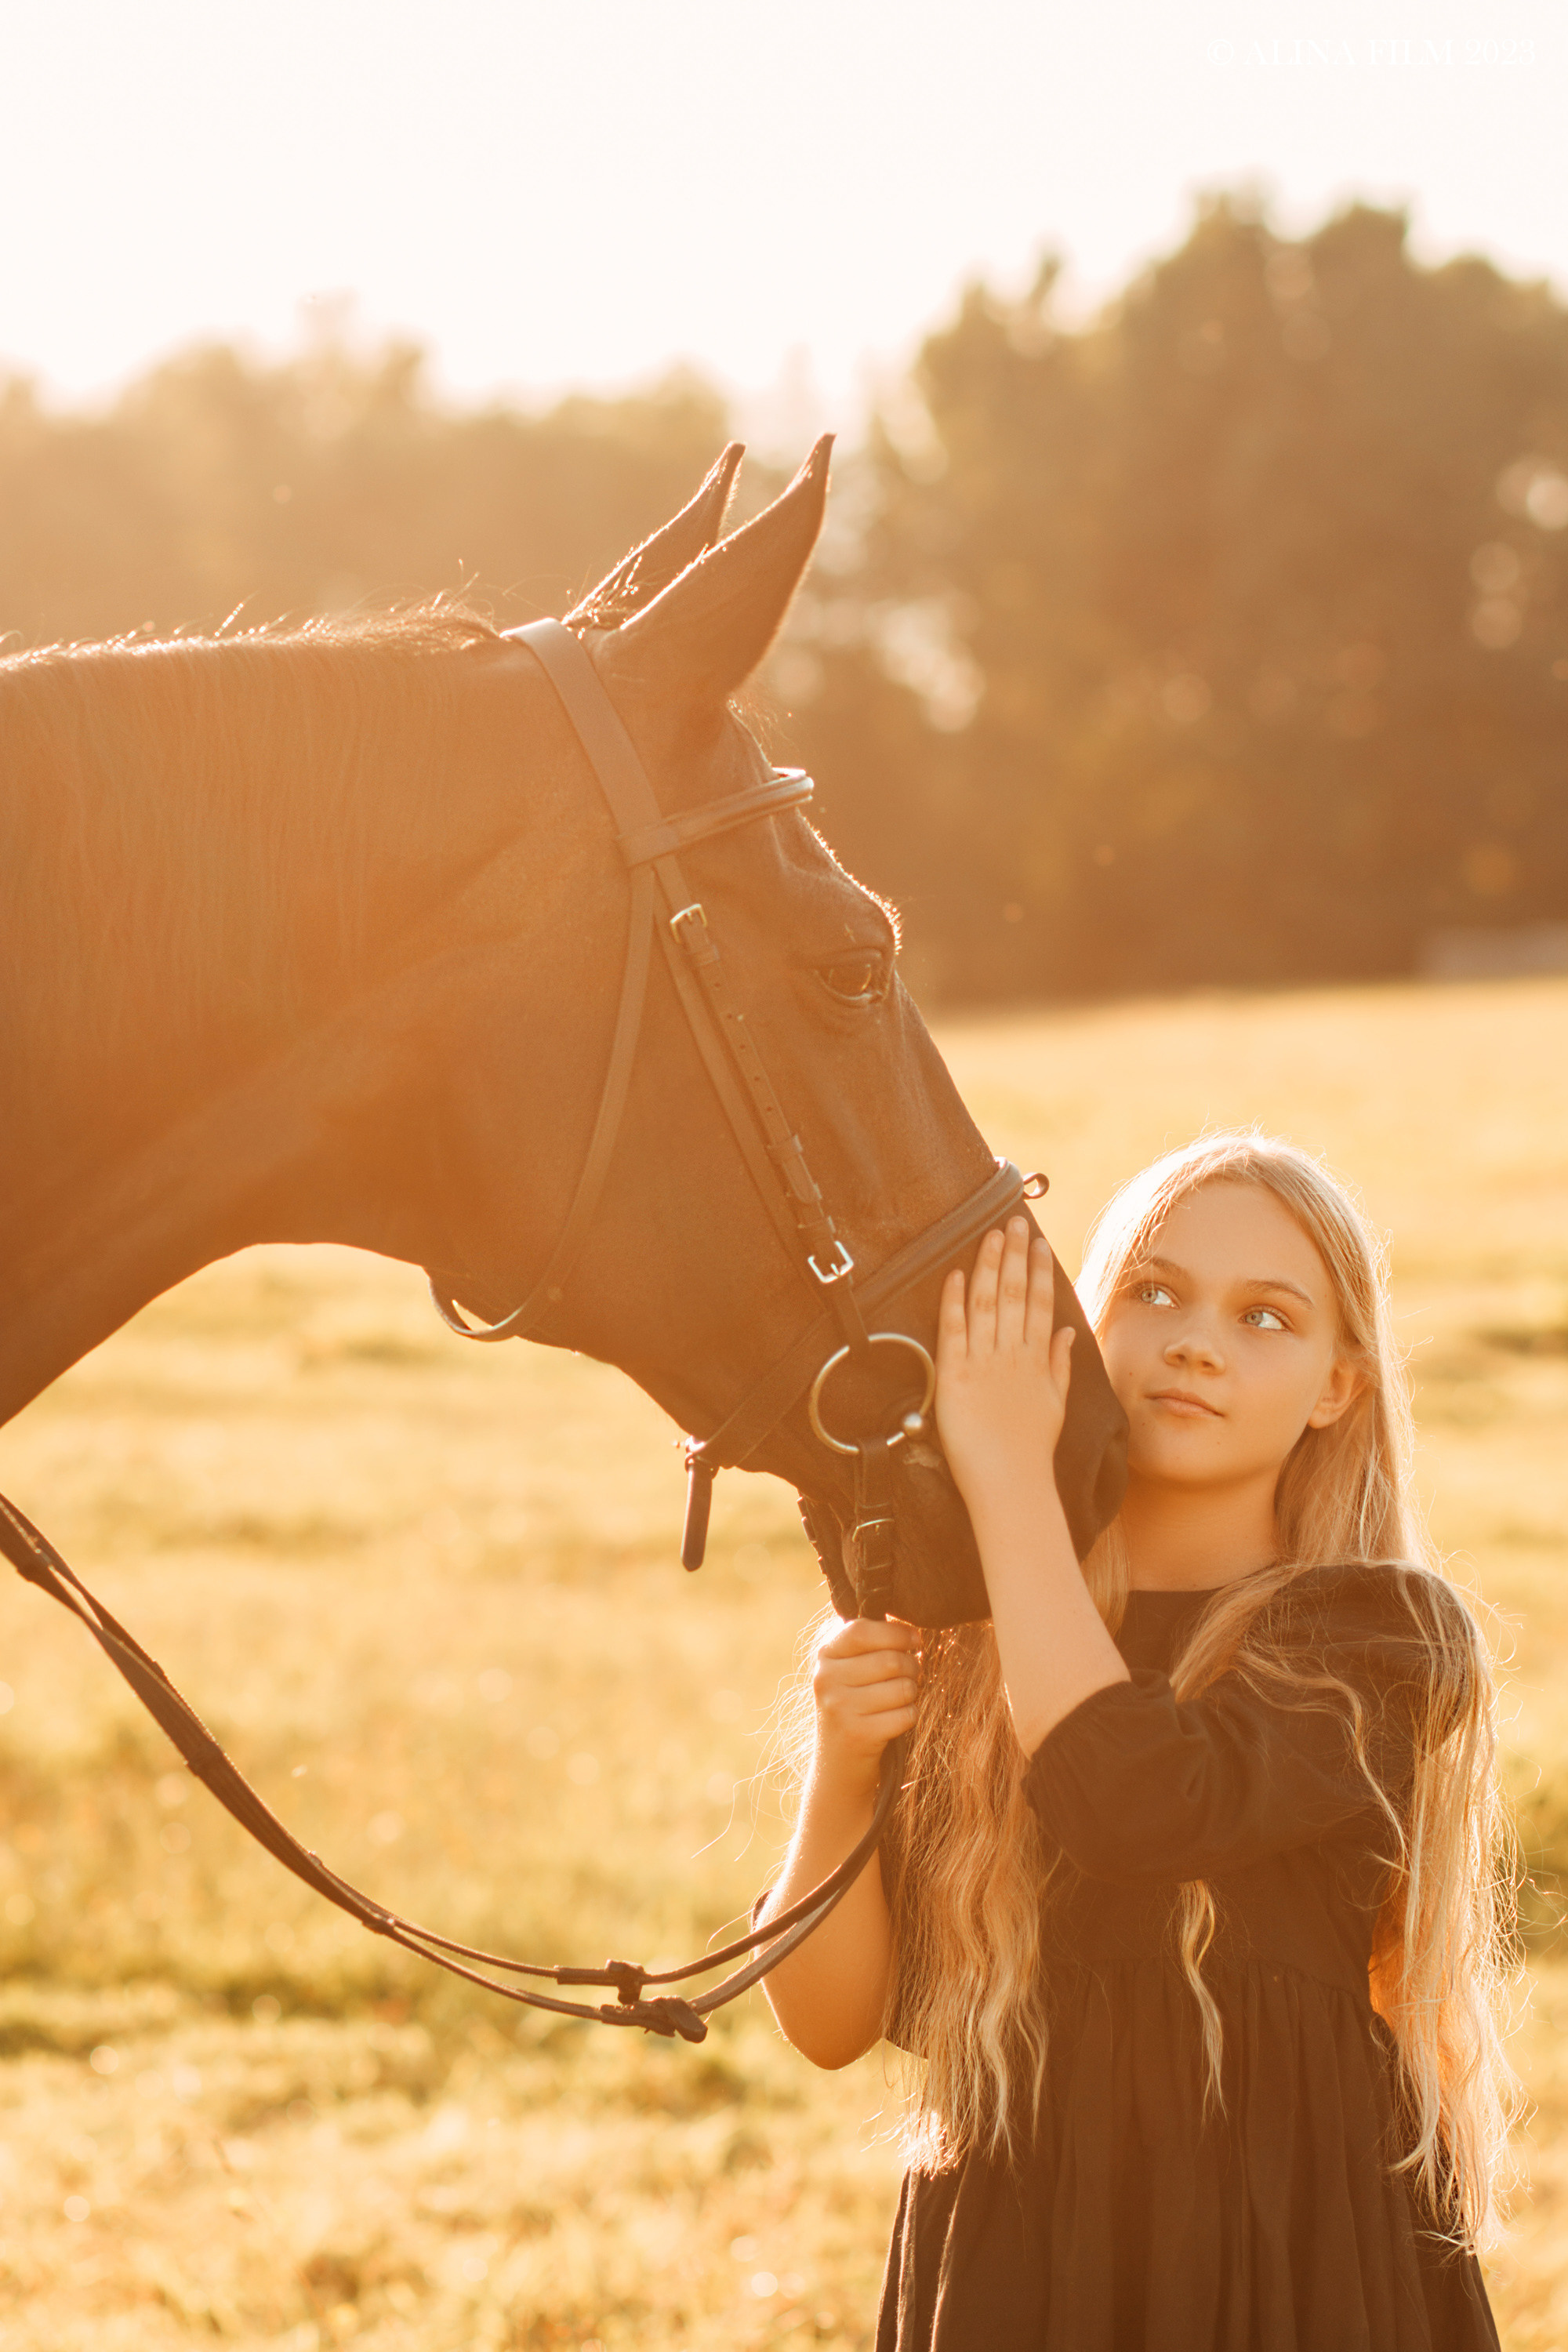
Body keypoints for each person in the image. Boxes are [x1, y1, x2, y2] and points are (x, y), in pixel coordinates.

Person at [758, 1131, 1512, 2350]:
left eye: (1265, 1317)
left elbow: (1136, 1802)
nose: (1197, 1342)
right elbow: (830, 2024)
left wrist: (1008, 1476)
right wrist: (843, 1766)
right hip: (1024, 2251)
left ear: (1338, 1388)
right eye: (1154, 1293)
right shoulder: (989, 1634)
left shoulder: (1380, 1637)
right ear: (1086, 1332)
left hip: (1289, 2246)